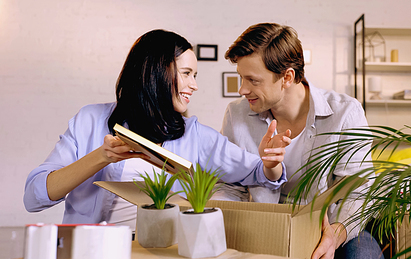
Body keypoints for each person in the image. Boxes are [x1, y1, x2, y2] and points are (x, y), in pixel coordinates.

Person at [24, 29, 291, 231]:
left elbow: (259, 173)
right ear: (156, 72)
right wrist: (101, 157)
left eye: (194, 75)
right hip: (91, 253)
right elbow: (35, 196)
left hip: (161, 256)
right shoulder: (90, 119)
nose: (194, 85)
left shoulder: (194, 134)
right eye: (186, 73)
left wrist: (271, 163)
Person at [221, 23, 385, 259]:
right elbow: (228, 184)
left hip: (328, 223)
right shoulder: (237, 114)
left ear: (286, 77)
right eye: (241, 78)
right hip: (265, 223)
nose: (242, 90)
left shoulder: (345, 113)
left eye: (252, 80)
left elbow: (359, 191)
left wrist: (335, 236)